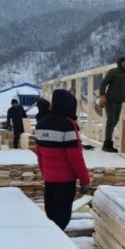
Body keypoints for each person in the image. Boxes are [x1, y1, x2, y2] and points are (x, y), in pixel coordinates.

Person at [35, 89, 91, 230]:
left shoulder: (41, 124)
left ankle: (52, 242)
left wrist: (45, 175)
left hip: (49, 179)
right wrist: (85, 181)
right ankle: (56, 246)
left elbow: (40, 155)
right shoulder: (68, 125)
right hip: (65, 180)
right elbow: (75, 158)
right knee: (62, 218)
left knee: (51, 214)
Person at [99, 56, 125, 153]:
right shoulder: (113, 72)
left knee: (115, 121)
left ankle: (108, 142)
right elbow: (104, 83)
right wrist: (102, 96)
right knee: (111, 120)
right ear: (119, 63)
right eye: (123, 62)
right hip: (110, 99)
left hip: (120, 100)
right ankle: (107, 144)